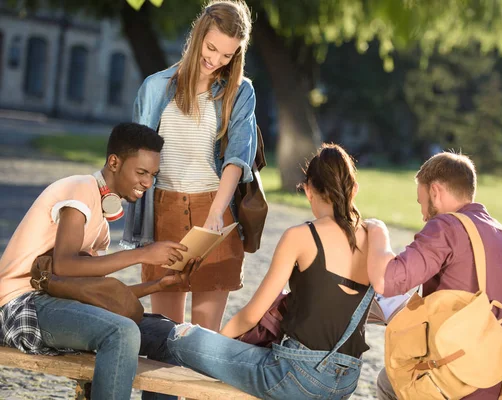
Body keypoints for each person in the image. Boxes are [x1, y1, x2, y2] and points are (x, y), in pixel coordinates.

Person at [0, 123, 201, 400]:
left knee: (168, 335)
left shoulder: (102, 226)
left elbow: (95, 294)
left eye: (153, 175)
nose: (147, 182)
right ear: (114, 162)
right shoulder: (81, 189)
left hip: (60, 304)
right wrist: (143, 253)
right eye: (141, 172)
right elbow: (64, 266)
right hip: (22, 305)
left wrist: (158, 284)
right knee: (122, 332)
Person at [166, 144, 374, 399]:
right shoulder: (373, 236)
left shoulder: (301, 236)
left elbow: (251, 315)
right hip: (346, 380)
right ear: (354, 190)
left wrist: (216, 346)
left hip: (296, 375)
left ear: (308, 190)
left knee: (179, 338)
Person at [122, 0, 257, 331]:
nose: (216, 60)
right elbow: (135, 159)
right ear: (198, 36)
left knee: (201, 341)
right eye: (211, 48)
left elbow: (236, 159)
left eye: (227, 55)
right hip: (164, 213)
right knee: (164, 337)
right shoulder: (156, 88)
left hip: (215, 215)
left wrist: (215, 214)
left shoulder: (240, 92)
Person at [365, 152, 502, 400]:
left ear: (435, 191)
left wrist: (377, 231)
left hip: (472, 380)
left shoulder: (446, 226)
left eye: (421, 202)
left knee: (391, 379)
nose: (423, 214)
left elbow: (386, 280)